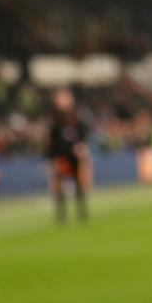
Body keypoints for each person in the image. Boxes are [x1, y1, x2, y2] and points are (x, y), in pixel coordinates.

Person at [45, 88, 91, 223]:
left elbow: (82, 136)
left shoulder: (76, 117)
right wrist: (51, 159)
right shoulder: (55, 120)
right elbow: (51, 142)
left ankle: (82, 212)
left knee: (79, 185)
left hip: (74, 157)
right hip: (60, 158)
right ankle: (61, 215)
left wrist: (81, 147)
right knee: (59, 187)